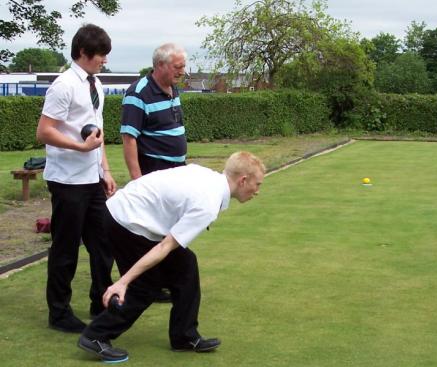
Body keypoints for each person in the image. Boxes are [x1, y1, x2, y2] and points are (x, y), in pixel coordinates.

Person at [77, 151, 266, 363]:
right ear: (243, 180)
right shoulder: (207, 203)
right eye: (257, 184)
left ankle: (184, 337)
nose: (257, 191)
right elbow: (165, 247)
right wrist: (123, 282)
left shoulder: (207, 176)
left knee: (186, 264)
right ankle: (95, 336)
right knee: (146, 286)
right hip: (125, 220)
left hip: (127, 212)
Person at [36, 24, 116, 333]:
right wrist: (79, 146)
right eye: (101, 55)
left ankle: (101, 300)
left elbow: (98, 132)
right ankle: (58, 313)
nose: (104, 61)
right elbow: (44, 130)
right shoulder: (64, 85)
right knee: (66, 247)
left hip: (92, 177)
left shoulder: (97, 86)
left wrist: (104, 170)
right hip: (67, 180)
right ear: (83, 52)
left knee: (104, 241)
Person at [120, 43, 187, 302]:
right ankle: (148, 284)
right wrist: (138, 182)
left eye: (183, 66)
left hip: (174, 172)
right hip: (152, 172)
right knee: (151, 229)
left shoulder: (173, 89)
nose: (182, 71)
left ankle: (162, 280)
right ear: (160, 65)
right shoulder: (138, 93)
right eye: (177, 66)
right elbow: (129, 139)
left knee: (169, 227)